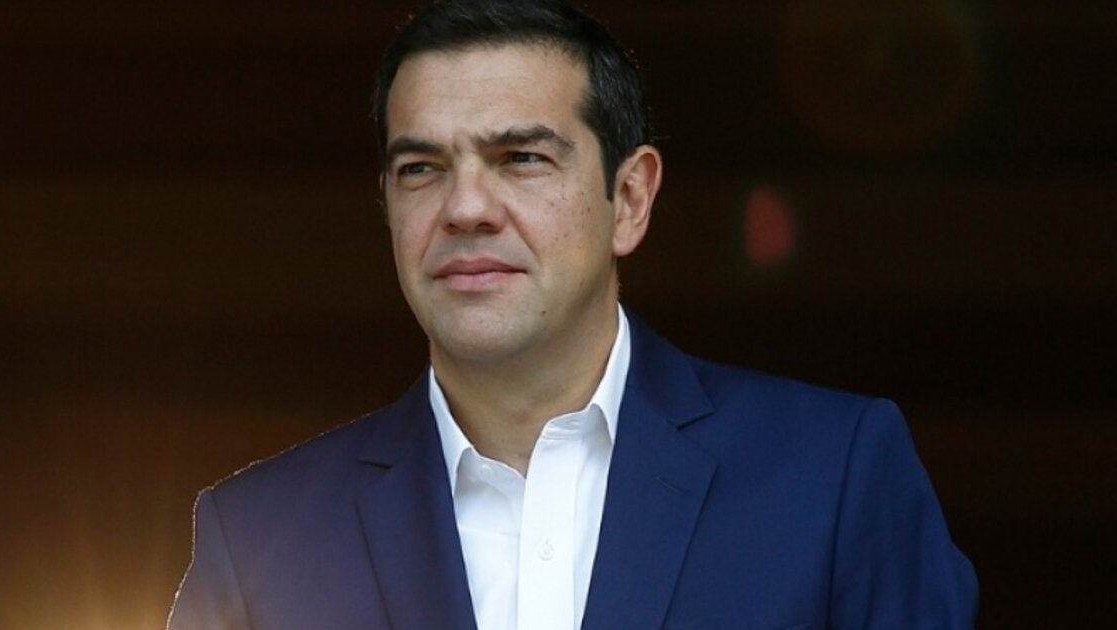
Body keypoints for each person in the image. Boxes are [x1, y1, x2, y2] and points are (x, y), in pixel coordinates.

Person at [167, 1, 978, 629]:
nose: (466, 207)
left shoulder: (830, 479)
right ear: (386, 204)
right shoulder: (258, 539)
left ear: (630, 198)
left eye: (521, 158)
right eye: (421, 168)